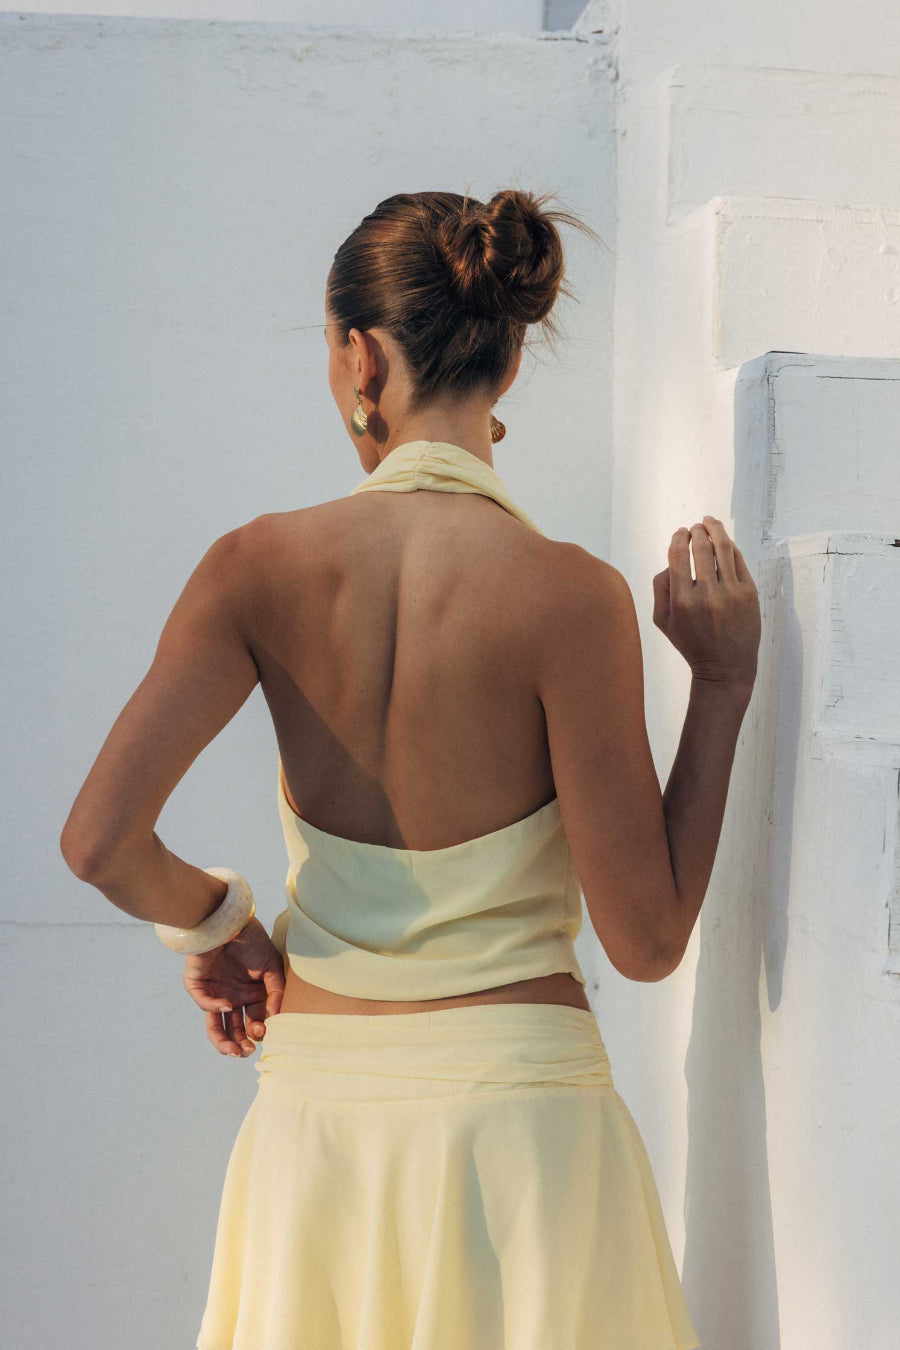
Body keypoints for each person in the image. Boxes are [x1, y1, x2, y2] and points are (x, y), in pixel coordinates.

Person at [60, 188, 760, 1349]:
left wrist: (217, 923)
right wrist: (723, 689)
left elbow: (99, 845)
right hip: (526, 1136)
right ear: (509, 363)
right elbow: (645, 942)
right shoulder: (570, 596)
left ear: (359, 356)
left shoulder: (252, 569)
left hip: (321, 1138)